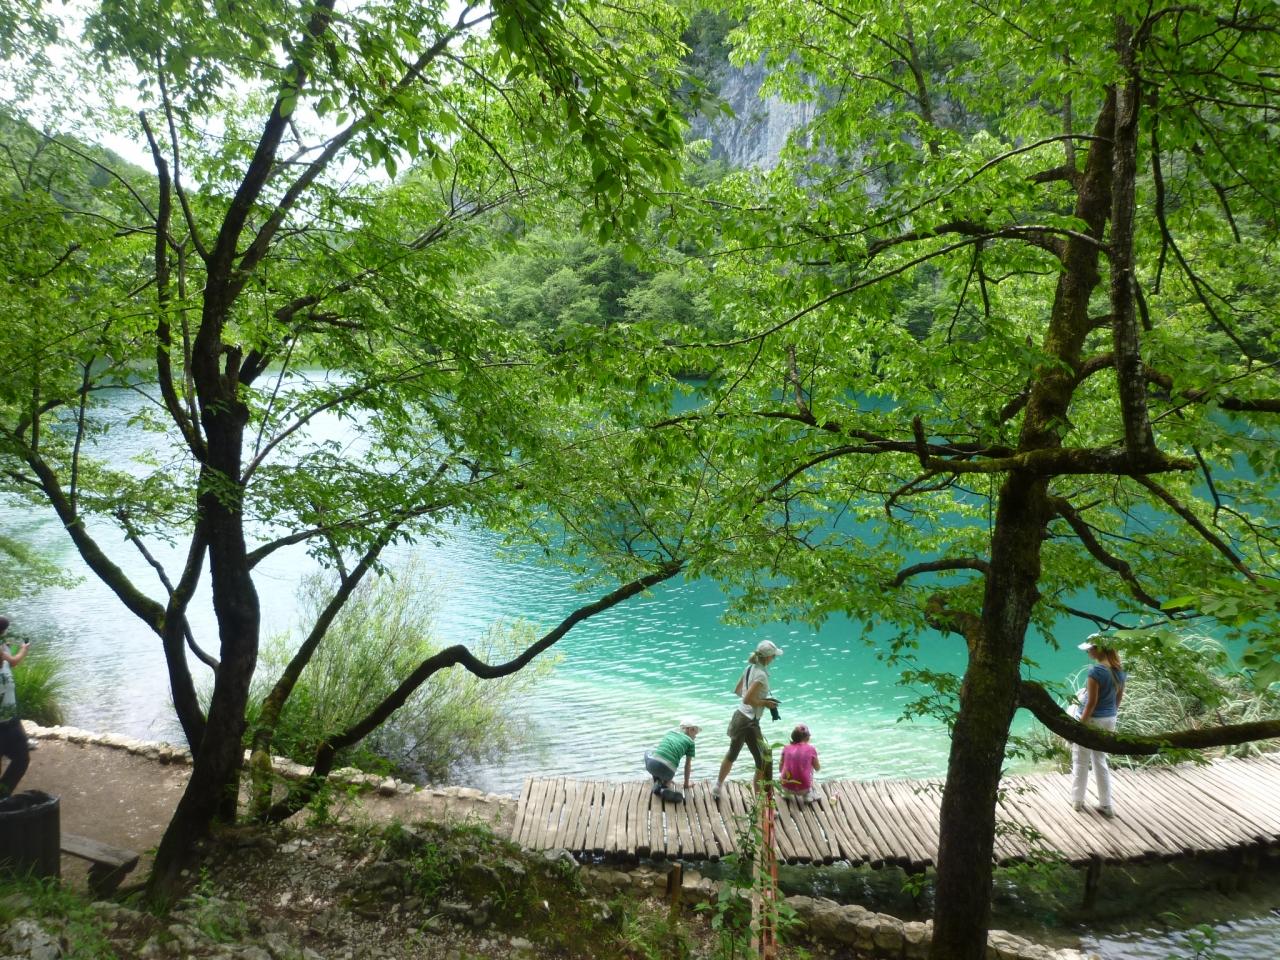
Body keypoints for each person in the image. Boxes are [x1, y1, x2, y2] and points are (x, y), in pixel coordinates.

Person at [712, 639, 782, 800]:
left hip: (740, 716)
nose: (774, 659)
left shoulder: (749, 668)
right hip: (749, 721)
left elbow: (738, 691)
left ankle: (717, 787)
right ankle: (761, 799)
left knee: (733, 754)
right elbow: (747, 698)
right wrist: (765, 703)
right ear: (768, 657)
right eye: (774, 656)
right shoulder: (761, 675)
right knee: (764, 759)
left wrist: (757, 700)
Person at [1070, 634, 1126, 818]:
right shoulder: (1119, 670)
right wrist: (1110, 715)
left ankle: (1077, 801)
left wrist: (1079, 727)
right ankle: (1106, 804)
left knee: (1081, 760)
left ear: (1099, 649)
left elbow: (1091, 703)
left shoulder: (1096, 672)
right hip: (1109, 719)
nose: (1087, 652)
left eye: (1089, 649)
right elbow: (1118, 699)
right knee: (1100, 760)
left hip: (1092, 720)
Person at [0, 617, 31, 798]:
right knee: (20, 759)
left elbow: (11, 661)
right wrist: (22, 650)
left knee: (21, 759)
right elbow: (11, 660)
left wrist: (20, 649)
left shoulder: (4, 654)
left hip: (11, 720)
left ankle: (2, 796)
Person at [644, 719, 700, 803]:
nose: (695, 736)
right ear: (689, 729)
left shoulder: (670, 733)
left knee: (647, 753)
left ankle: (658, 782)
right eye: (695, 732)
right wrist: (686, 784)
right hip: (669, 772)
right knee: (670, 764)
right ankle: (663, 787)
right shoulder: (691, 743)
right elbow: (687, 765)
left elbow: (662, 750)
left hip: (653, 765)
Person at [779, 723, 820, 803]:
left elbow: (780, 768)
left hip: (786, 785)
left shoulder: (786, 748)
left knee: (787, 768)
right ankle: (807, 795)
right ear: (807, 737)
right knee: (810, 767)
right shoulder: (811, 749)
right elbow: (817, 768)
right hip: (803, 788)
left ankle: (786, 793)